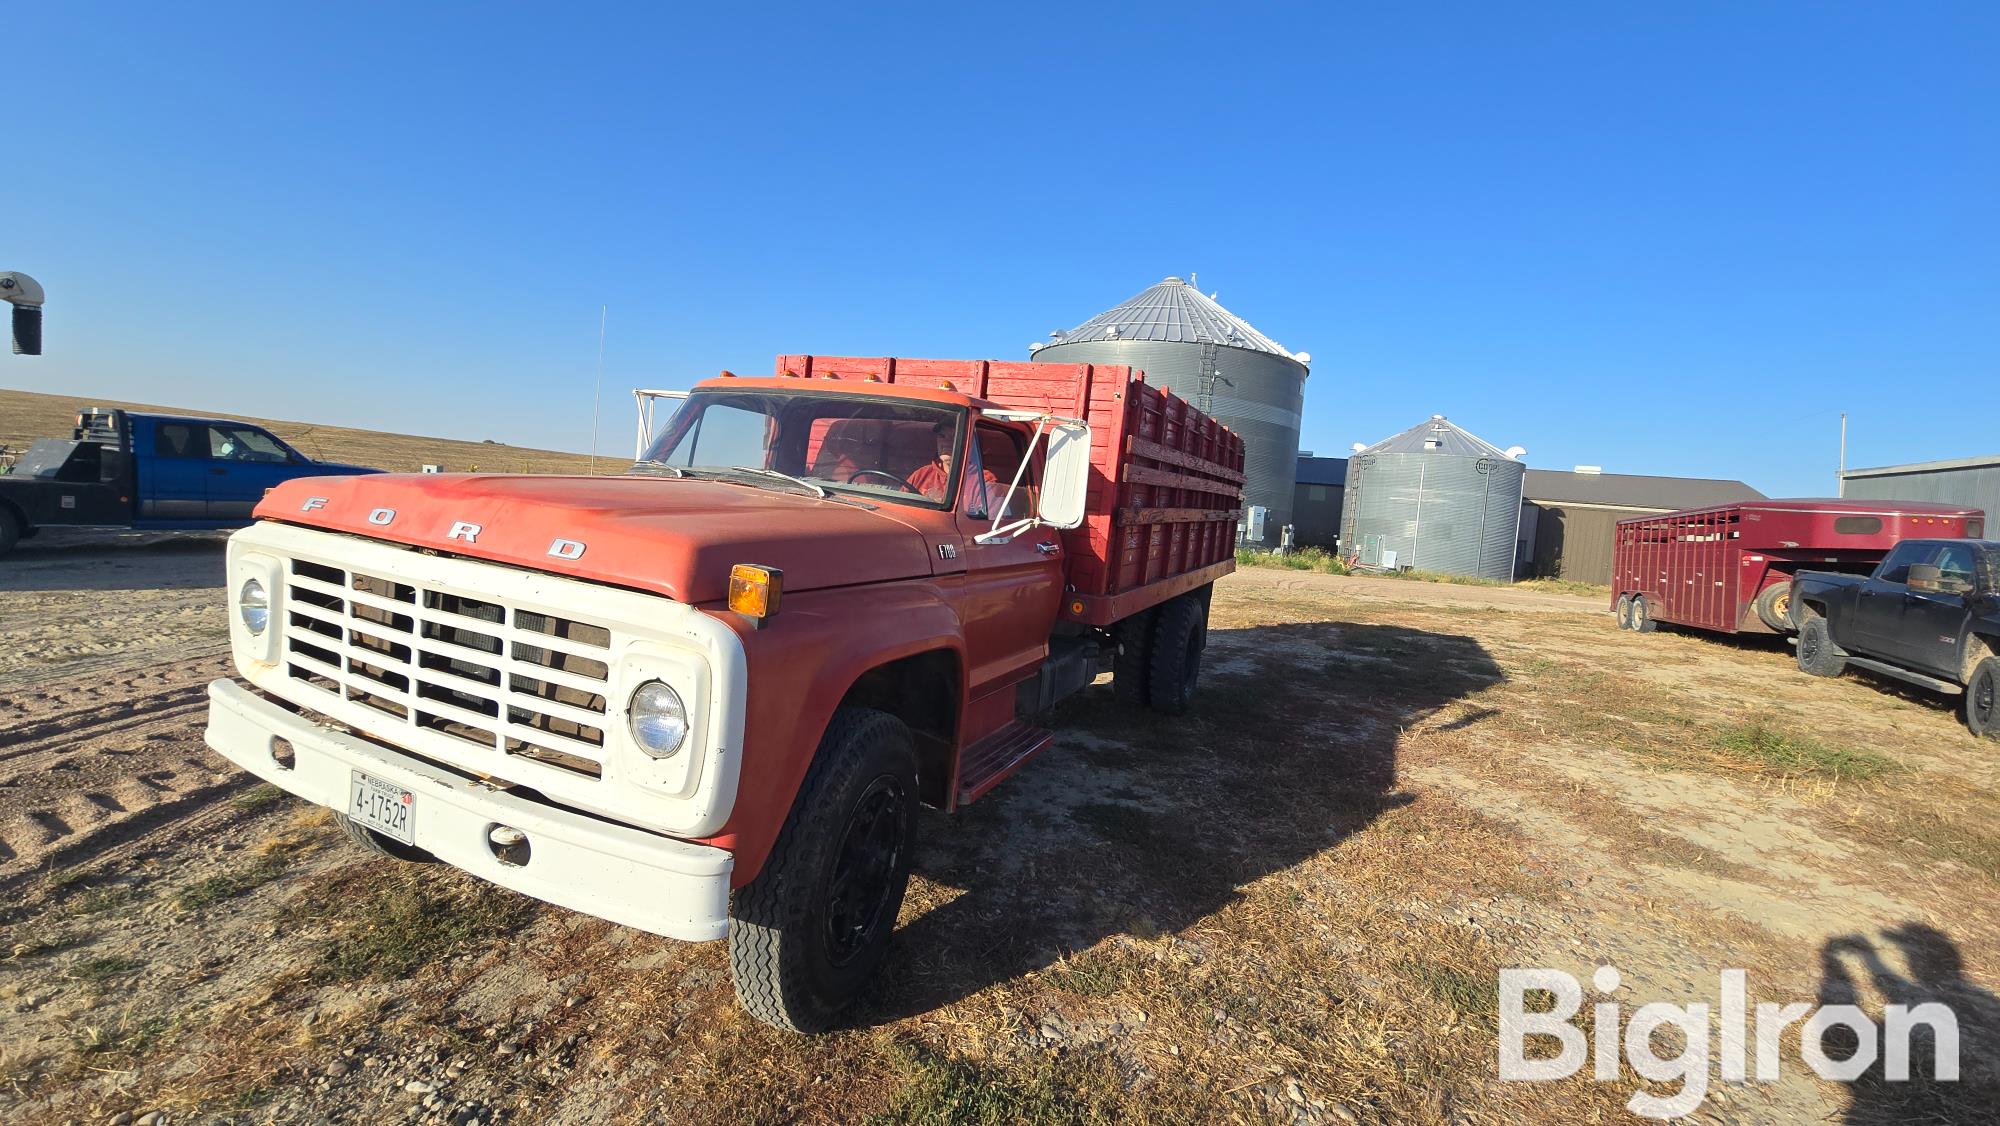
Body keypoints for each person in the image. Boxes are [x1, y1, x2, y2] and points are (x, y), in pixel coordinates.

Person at [908, 423, 1001, 512]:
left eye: (955, 436)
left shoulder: (983, 482)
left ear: (969, 443)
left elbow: (987, 526)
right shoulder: (921, 474)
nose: (946, 443)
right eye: (942, 436)